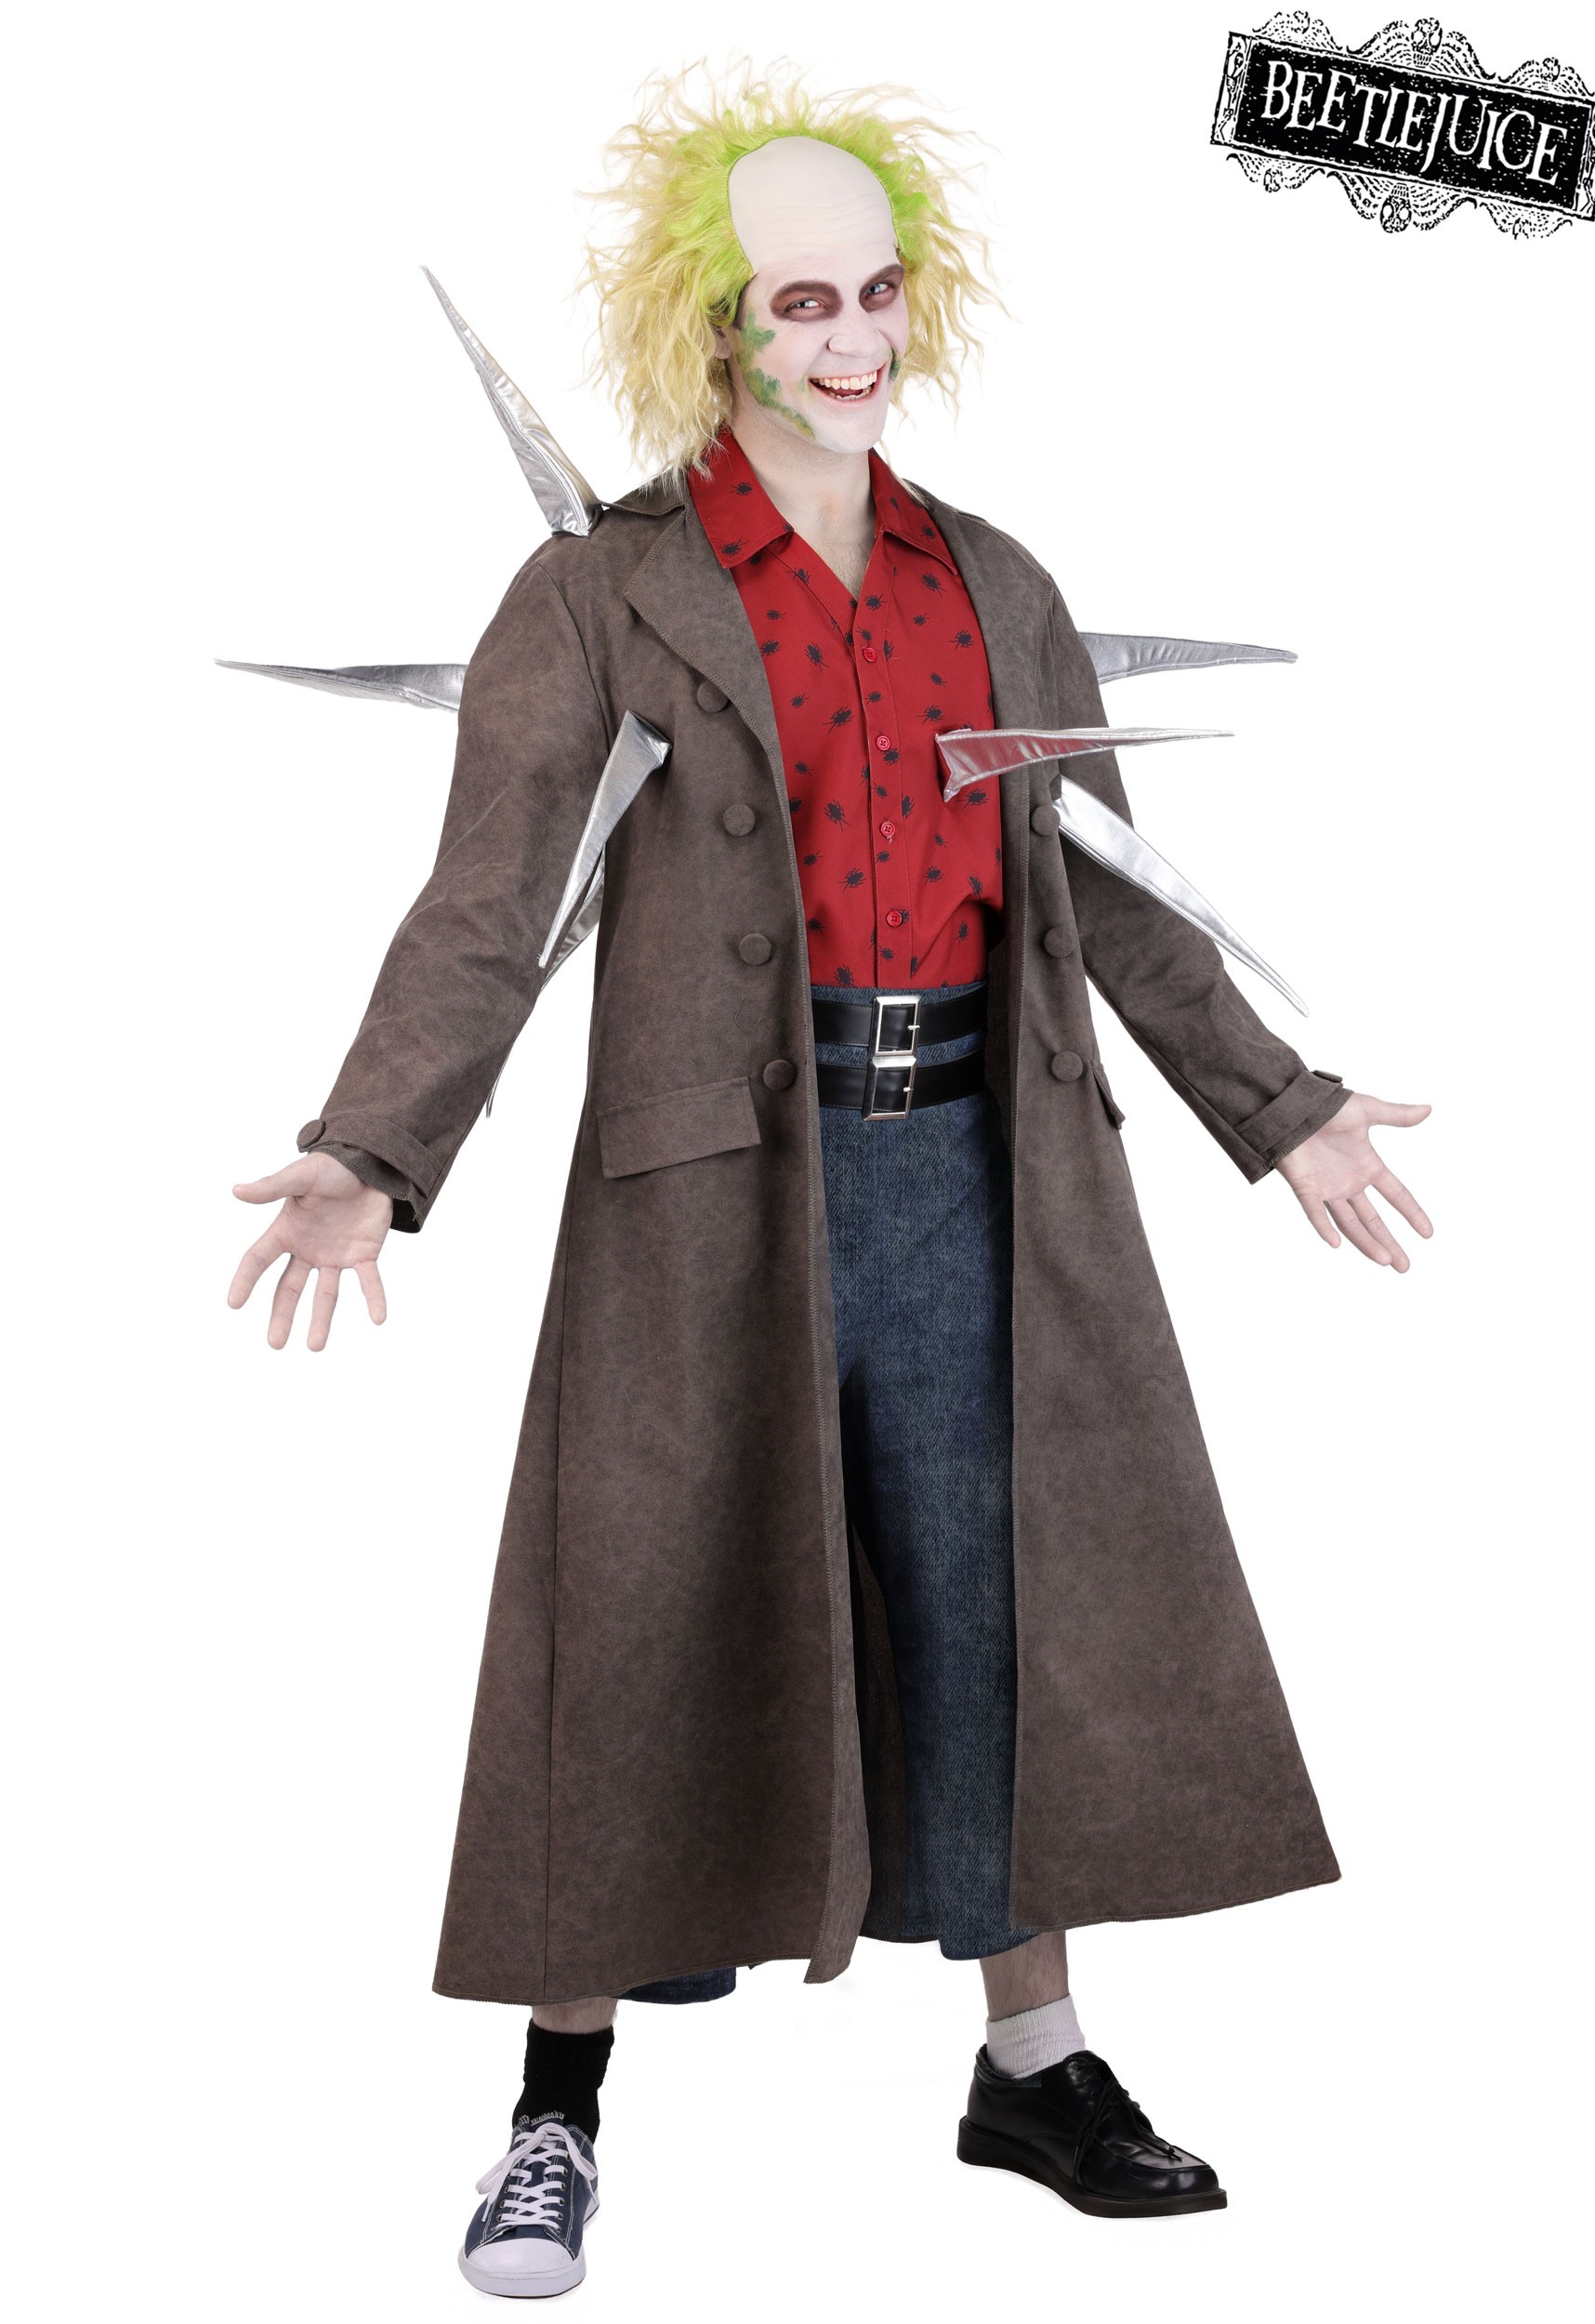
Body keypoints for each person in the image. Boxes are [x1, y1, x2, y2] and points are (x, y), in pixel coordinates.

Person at [227, 68, 1431, 2298]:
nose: (853, 338)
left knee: (996, 1598)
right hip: (709, 1189)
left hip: (978, 1169)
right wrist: (376, 1144)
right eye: (802, 303)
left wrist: (1281, 1105)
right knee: (636, 1609)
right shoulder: (600, 593)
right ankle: (555, 2109)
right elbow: (487, 898)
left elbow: (1107, 885)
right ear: (716, 320)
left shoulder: (996, 582)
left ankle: (1031, 2060)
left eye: (876, 293)